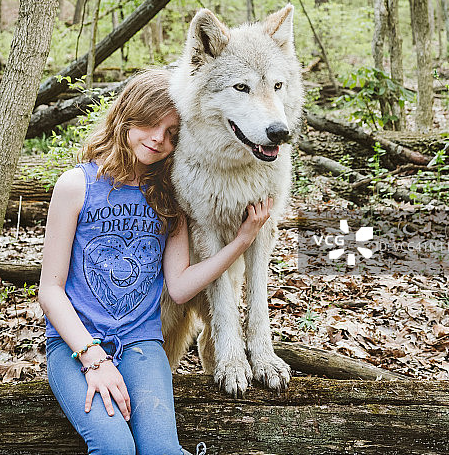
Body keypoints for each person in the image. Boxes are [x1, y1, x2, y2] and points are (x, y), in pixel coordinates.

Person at [38, 68, 273, 455]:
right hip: (74, 346)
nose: (158, 139)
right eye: (150, 124)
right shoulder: (76, 185)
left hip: (140, 343)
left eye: (172, 133)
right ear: (127, 116)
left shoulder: (168, 198)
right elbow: (50, 290)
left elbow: (179, 286)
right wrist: (93, 358)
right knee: (115, 448)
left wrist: (243, 240)